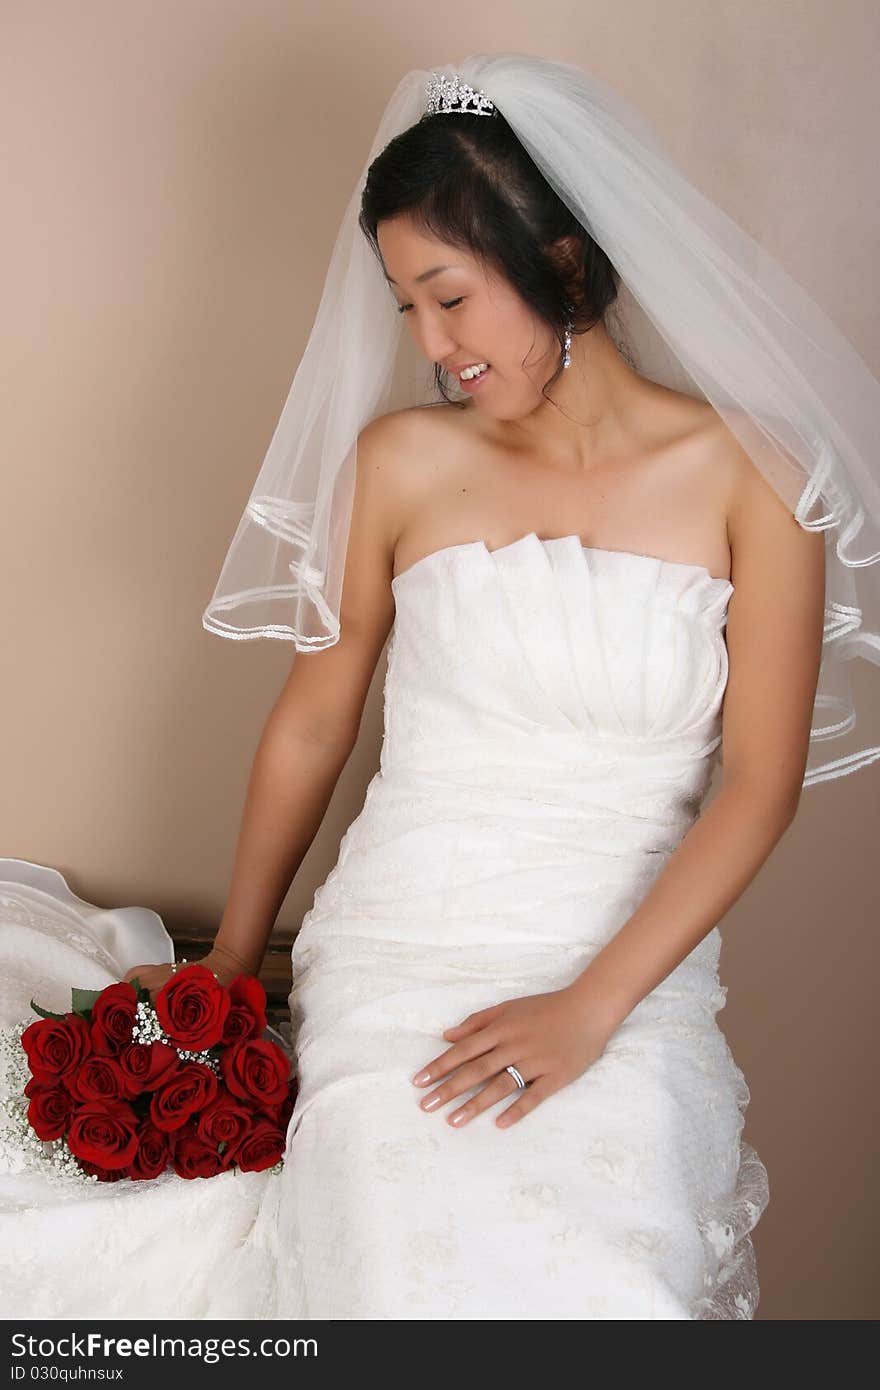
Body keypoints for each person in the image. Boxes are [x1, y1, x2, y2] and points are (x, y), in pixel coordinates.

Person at [1, 53, 878, 1321]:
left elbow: (760, 782)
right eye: (405, 305)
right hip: (401, 956)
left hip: (624, 976)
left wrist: (591, 1007)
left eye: (451, 298)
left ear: (563, 267)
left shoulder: (755, 478)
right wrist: (238, 958)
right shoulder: (402, 462)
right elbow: (313, 719)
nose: (430, 344)